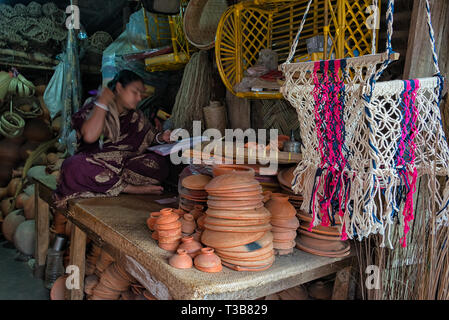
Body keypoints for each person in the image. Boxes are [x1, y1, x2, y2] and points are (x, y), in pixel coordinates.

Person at [53, 70, 173, 208]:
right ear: (119, 88)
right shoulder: (95, 106)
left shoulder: (136, 116)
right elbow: (90, 135)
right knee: (72, 166)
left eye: (141, 93)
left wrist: (162, 137)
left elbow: (150, 136)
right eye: (135, 92)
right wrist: (103, 102)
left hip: (125, 166)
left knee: (160, 163)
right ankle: (130, 189)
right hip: (96, 164)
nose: (139, 98)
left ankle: (107, 184)